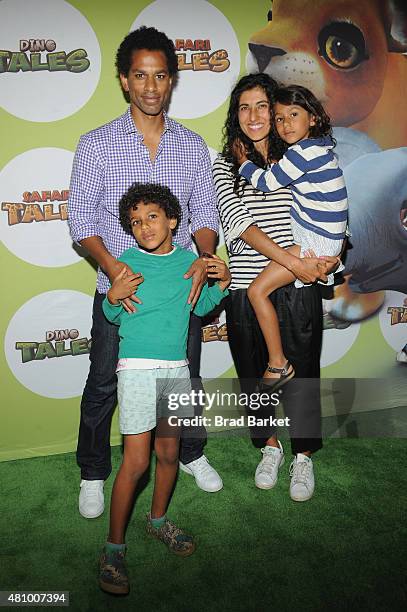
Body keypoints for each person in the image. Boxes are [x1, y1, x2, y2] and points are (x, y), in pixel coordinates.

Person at [68, 26, 222, 520]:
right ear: (124, 81)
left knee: (184, 380)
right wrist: (116, 270)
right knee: (103, 384)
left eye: (160, 77)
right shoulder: (96, 144)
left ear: (172, 81)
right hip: (121, 295)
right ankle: (93, 472)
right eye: (141, 76)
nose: (151, 87)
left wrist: (202, 256)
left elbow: (205, 216)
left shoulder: (193, 146)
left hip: (180, 291)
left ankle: (189, 454)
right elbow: (81, 219)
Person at [98, 182, 230, 595]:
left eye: (152, 217)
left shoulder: (191, 262)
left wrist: (222, 280)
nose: (144, 226)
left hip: (176, 369)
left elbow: (203, 306)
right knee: (136, 463)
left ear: (173, 220)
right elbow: (113, 314)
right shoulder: (124, 264)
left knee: (169, 453)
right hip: (136, 370)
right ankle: (113, 549)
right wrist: (112, 296)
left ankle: (157, 522)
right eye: (135, 222)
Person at [213, 73, 340, 501]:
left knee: (302, 372)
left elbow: (332, 206)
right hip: (252, 282)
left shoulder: (300, 152)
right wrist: (292, 262)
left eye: (262, 106)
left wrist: (333, 256)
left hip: (299, 285)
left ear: (277, 108)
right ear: (236, 116)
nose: (254, 116)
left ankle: (303, 456)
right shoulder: (224, 163)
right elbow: (238, 224)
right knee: (255, 375)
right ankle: (269, 448)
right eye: (244, 107)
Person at [236, 84, 347, 386]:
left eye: (293, 115)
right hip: (320, 241)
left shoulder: (300, 153)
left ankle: (278, 364)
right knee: (255, 292)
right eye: (281, 117)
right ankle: (278, 364)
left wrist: (243, 163)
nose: (285, 124)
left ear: (312, 118)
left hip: (315, 244)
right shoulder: (319, 150)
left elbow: (268, 182)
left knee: (257, 291)